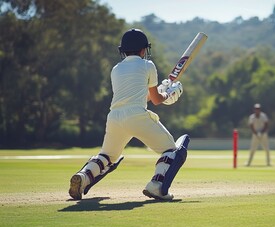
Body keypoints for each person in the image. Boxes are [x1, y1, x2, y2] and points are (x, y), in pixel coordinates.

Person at [68, 28, 189, 201]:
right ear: (143, 49)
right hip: (136, 116)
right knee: (172, 151)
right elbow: (156, 100)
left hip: (115, 117)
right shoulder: (148, 65)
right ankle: (157, 186)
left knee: (107, 156)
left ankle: (84, 176)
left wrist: (162, 91)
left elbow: (137, 96)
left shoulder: (116, 69)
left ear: (123, 50)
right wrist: (170, 93)